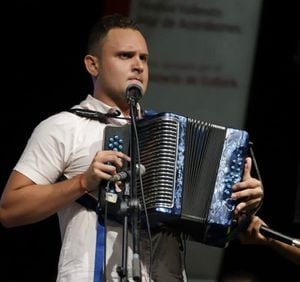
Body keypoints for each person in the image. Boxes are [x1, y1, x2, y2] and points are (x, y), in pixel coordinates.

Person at [0, 13, 264, 281]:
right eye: (125, 56)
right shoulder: (63, 127)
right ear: (93, 65)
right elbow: (10, 210)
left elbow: (218, 227)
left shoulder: (170, 137)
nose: (138, 66)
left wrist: (241, 203)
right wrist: (82, 182)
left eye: (144, 58)